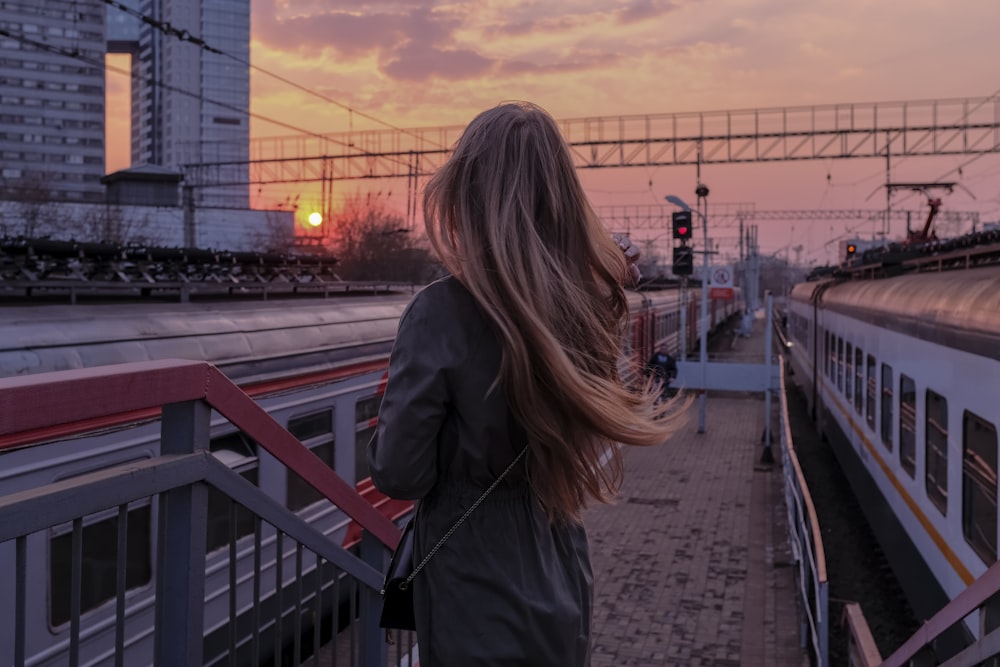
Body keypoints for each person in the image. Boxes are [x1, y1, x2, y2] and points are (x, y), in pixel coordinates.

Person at [367, 101, 683, 666]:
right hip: (559, 564)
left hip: (473, 583)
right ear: (560, 197)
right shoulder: (587, 308)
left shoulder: (441, 312)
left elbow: (399, 472)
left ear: (467, 193)